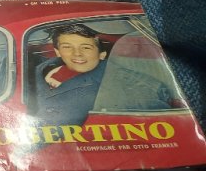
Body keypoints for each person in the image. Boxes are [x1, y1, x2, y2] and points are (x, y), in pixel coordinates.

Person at [33, 23, 177, 128]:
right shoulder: (42, 70)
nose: (77, 54)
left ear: (102, 54)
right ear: (57, 52)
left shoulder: (134, 88)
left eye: (86, 47)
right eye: (67, 47)